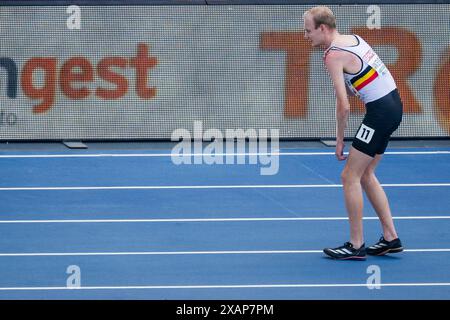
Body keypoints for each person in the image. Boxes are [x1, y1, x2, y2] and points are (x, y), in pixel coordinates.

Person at [303, 6, 404, 260]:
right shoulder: (354, 39)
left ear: (323, 28)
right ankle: (391, 237)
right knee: (366, 173)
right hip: (394, 106)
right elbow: (359, 80)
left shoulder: (332, 55)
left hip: (380, 113)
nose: (305, 36)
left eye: (308, 31)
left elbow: (344, 105)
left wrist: (339, 140)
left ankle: (355, 244)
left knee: (349, 175)